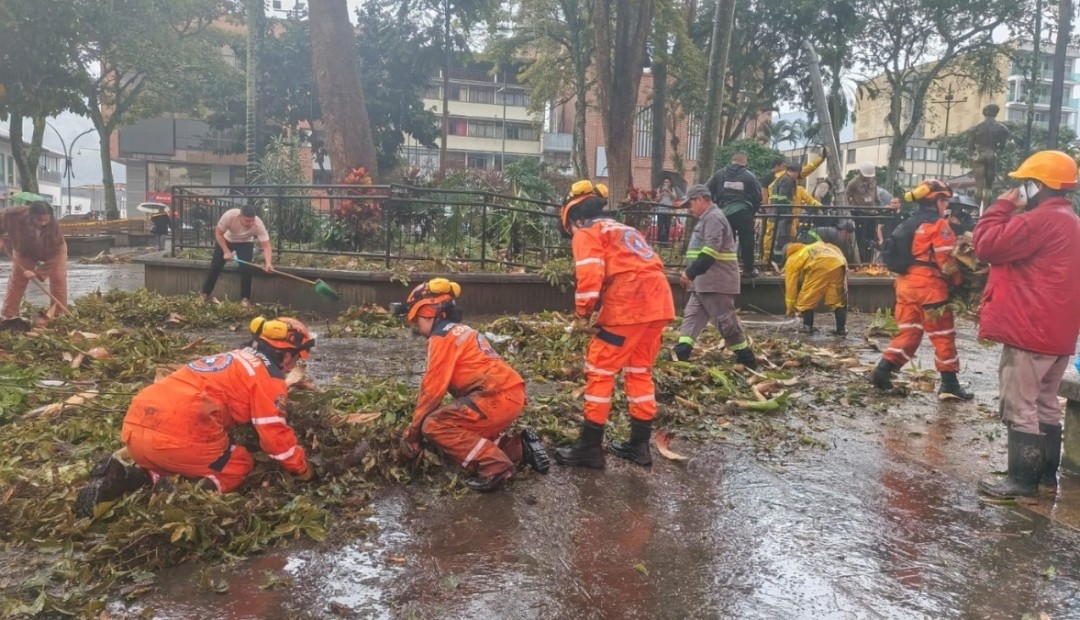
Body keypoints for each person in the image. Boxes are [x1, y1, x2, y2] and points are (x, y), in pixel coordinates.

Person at [75, 316, 318, 517]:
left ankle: (129, 478)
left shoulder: (232, 357)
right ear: (286, 355)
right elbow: (275, 440)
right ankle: (187, 491)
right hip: (180, 434)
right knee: (238, 463)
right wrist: (304, 470)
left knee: (167, 458)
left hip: (135, 426)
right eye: (296, 358)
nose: (293, 366)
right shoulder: (269, 378)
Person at [973, 151, 1080, 499]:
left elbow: (986, 245)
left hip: (1030, 330)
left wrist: (1001, 207)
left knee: (1019, 405)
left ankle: (1022, 481)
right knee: (1046, 402)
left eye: (1024, 183)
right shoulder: (1071, 220)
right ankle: (1046, 475)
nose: (1020, 189)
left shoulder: (1040, 220)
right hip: (1058, 333)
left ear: (1037, 185)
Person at [554, 180, 675, 469]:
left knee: (600, 369)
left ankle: (589, 447)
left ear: (574, 217)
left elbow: (589, 275)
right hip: (659, 302)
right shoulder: (626, 230)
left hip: (628, 305)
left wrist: (582, 313)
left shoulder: (586, 232)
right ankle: (639, 445)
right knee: (639, 371)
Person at [395, 278, 549, 491]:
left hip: (493, 397)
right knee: (467, 429)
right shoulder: (463, 330)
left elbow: (432, 391)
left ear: (429, 312)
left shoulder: (441, 338)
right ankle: (519, 448)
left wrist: (412, 434)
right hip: (511, 394)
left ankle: (495, 467)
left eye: (416, 320)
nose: (416, 327)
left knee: (434, 425)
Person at [868, 180, 973, 400]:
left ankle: (882, 372)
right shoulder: (938, 225)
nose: (946, 205)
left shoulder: (908, 223)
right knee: (943, 335)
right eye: (944, 200)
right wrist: (958, 282)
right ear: (936, 201)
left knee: (909, 332)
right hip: (930, 288)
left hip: (905, 286)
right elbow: (947, 262)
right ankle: (950, 384)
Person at [672, 184, 758, 369]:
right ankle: (681, 351)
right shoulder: (707, 218)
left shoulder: (713, 218)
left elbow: (710, 250)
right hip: (704, 282)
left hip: (716, 281)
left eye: (691, 204)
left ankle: (746, 357)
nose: (690, 209)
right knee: (692, 317)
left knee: (725, 322)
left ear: (701, 199)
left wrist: (691, 272)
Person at [0, 201, 67, 320]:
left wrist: (37, 273)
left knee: (58, 279)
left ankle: (58, 314)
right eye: (40, 220)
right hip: (24, 250)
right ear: (30, 216)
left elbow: (56, 255)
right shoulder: (13, 215)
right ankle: (8, 315)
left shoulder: (53, 226)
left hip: (52, 251)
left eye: (46, 220)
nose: (43, 223)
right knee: (17, 280)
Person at [200, 204, 273, 307]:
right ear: (240, 216)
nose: (251, 223)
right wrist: (226, 251)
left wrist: (268, 263)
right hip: (226, 240)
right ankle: (205, 294)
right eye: (247, 221)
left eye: (252, 220)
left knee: (246, 268)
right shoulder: (230, 216)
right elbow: (218, 234)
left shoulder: (258, 224)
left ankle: (245, 299)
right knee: (216, 266)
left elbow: (266, 246)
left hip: (245, 242)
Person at [707, 151, 763, 277]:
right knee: (747, 241)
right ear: (744, 162)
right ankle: (748, 270)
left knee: (726, 242)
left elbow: (707, 190)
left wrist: (715, 207)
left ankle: (725, 269)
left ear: (732, 161)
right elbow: (758, 196)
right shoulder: (749, 176)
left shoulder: (719, 174)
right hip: (743, 213)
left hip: (724, 213)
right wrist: (752, 211)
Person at [783, 242, 848, 335]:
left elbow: (790, 285)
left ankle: (807, 327)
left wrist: (790, 308)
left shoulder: (793, 258)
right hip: (838, 262)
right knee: (837, 301)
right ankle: (841, 329)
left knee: (806, 300)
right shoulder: (814, 246)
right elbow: (834, 248)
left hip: (819, 265)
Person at [771, 163, 823, 259]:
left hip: (778, 214)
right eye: (798, 174)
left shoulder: (781, 179)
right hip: (783, 215)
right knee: (782, 240)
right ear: (795, 172)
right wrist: (788, 214)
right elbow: (783, 199)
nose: (797, 177)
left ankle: (777, 260)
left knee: (779, 239)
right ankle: (780, 261)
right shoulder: (787, 180)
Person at [970, 104, 1010, 207]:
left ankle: (976, 210)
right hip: (992, 154)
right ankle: (986, 210)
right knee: (988, 187)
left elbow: (970, 147)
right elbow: (1002, 146)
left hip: (980, 154)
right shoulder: (1002, 129)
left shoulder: (976, 128)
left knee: (978, 187)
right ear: (996, 113)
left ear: (984, 113)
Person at [653, 178, 682, 245]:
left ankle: (665, 242)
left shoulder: (672, 190)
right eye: (665, 182)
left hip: (668, 211)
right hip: (660, 210)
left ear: (670, 183)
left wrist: (668, 191)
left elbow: (675, 198)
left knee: (667, 226)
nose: (666, 183)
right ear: (663, 183)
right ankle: (659, 242)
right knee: (660, 226)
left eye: (668, 182)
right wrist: (662, 192)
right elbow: (657, 199)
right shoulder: (660, 189)